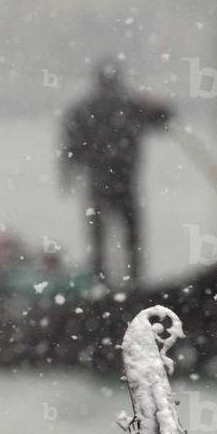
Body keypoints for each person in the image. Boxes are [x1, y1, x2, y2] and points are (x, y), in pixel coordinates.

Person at [59, 58, 173, 286]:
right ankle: (135, 281)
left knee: (99, 236)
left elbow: (72, 147)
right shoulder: (131, 105)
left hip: (99, 182)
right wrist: (160, 108)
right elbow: (164, 118)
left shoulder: (84, 109)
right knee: (131, 234)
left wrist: (68, 172)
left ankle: (101, 281)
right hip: (125, 181)